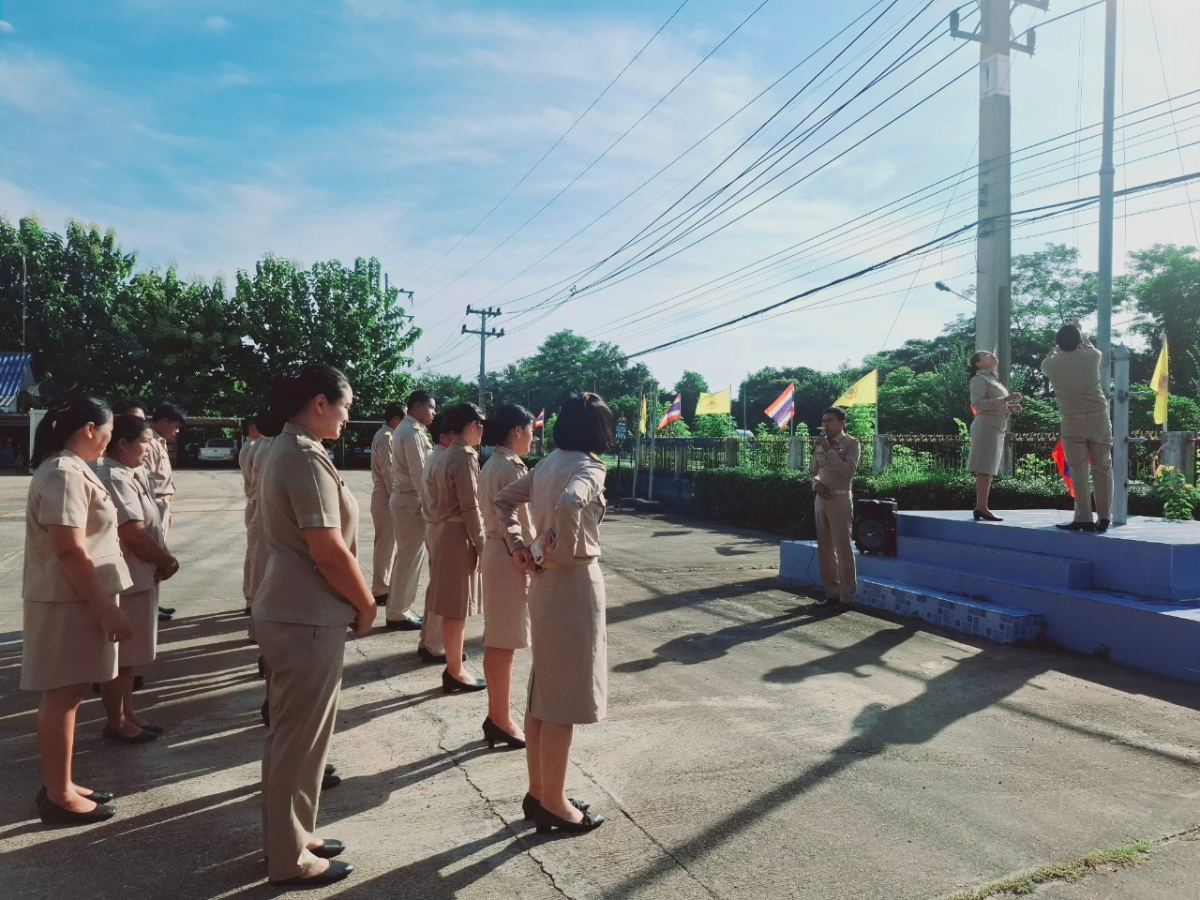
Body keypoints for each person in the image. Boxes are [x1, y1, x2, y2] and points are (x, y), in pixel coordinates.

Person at [254, 364, 376, 888]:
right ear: (319, 402)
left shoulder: (296, 448)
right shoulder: (301, 456)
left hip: (299, 610)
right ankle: (289, 857)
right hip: (305, 613)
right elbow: (326, 549)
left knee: (302, 737)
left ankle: (296, 834)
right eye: (345, 406)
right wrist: (367, 603)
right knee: (298, 740)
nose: (349, 416)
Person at [495, 393, 611, 835]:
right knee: (562, 698)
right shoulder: (588, 466)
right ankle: (555, 803)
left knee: (543, 692)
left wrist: (522, 546)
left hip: (544, 584)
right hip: (573, 581)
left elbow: (503, 501)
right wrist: (554, 546)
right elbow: (569, 505)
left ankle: (541, 791)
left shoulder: (544, 464)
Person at [21, 397, 133, 826]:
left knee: (71, 694)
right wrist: (107, 609)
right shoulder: (64, 472)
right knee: (63, 696)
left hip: (76, 599)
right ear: (89, 428)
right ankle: (58, 792)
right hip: (70, 601)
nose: (108, 439)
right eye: (106, 431)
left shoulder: (71, 468)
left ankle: (61, 781)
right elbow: (69, 551)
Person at [93, 415, 180, 743]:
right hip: (127, 577)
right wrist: (166, 560)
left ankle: (126, 715)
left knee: (129, 659)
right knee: (121, 657)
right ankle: (116, 722)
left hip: (139, 576)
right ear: (123, 443)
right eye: (145, 442)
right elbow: (132, 533)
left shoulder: (129, 472)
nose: (152, 448)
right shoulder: (114, 475)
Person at [478, 404, 536, 749]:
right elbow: (519, 522)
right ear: (517, 431)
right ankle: (500, 718)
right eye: (530, 429)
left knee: (503, 639)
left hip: (499, 552)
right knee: (502, 641)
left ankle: (497, 715)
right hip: (507, 554)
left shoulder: (496, 463)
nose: (533, 436)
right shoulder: (508, 467)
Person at [422, 402, 488, 694]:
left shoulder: (449, 453)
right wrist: (482, 543)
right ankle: (455, 671)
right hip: (457, 532)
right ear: (472, 425)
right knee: (456, 608)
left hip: (447, 530)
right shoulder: (463, 455)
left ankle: (454, 668)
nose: (483, 430)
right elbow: (470, 505)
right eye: (481, 423)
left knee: (453, 607)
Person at [386, 390, 444, 665]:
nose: (434, 412)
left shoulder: (413, 429)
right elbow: (419, 473)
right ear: (417, 406)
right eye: (431, 407)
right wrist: (432, 505)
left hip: (410, 500)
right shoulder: (409, 432)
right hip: (411, 500)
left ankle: (400, 608)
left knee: (410, 557)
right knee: (409, 557)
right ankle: (397, 611)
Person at [1041, 321, 1113, 532]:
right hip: (1098, 420)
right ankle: (1104, 518)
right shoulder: (1093, 357)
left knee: (1079, 472)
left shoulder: (1049, 365)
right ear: (1080, 341)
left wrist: (1055, 350)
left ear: (1057, 344)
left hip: (1071, 422)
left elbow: (1049, 358)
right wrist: (1081, 334)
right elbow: (1091, 348)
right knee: (1103, 469)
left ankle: (1083, 518)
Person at [809, 407, 861, 612]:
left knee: (843, 547)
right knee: (825, 549)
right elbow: (813, 472)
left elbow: (848, 472)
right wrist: (817, 485)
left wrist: (829, 450)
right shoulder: (820, 444)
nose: (825, 425)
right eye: (823, 421)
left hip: (840, 499)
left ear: (842, 422)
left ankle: (847, 598)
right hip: (821, 500)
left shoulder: (851, 443)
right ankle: (831, 594)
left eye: (830, 420)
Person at [966, 351, 1022, 522]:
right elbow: (977, 404)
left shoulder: (992, 379)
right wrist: (1005, 400)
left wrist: (1008, 408)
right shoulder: (979, 379)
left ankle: (982, 507)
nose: (991, 355)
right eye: (986, 355)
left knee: (988, 468)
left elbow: (992, 405)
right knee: (985, 467)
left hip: (994, 426)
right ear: (978, 364)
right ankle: (982, 507)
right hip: (986, 426)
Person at [148, 403, 185, 621]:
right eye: (176, 426)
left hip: (162, 505)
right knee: (153, 558)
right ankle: (149, 605)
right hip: (154, 504)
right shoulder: (149, 444)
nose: (177, 431)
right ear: (163, 422)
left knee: (157, 558)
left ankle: (154, 603)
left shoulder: (159, 443)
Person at [370, 403, 405, 605]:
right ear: (395, 419)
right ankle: (380, 589)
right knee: (385, 544)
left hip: (385, 495)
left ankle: (383, 586)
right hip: (386, 495)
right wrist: (396, 499)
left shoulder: (386, 436)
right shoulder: (387, 438)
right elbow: (389, 472)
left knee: (389, 544)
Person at [240, 418, 264, 614]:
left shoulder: (251, 446)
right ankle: (254, 598)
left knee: (253, 553)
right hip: (259, 503)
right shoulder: (259, 447)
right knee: (258, 555)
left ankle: (251, 595)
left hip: (253, 502)